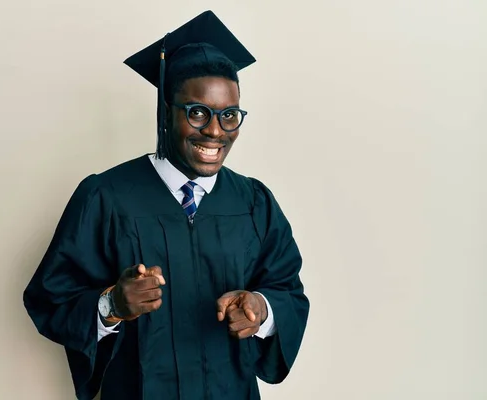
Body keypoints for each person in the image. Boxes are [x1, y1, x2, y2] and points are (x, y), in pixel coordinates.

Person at [23, 10, 309, 400]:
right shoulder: (106, 196)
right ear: (166, 112)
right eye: (197, 113)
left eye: (229, 116)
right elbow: (50, 296)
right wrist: (112, 304)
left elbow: (287, 290)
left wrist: (261, 309)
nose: (214, 130)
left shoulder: (254, 202)